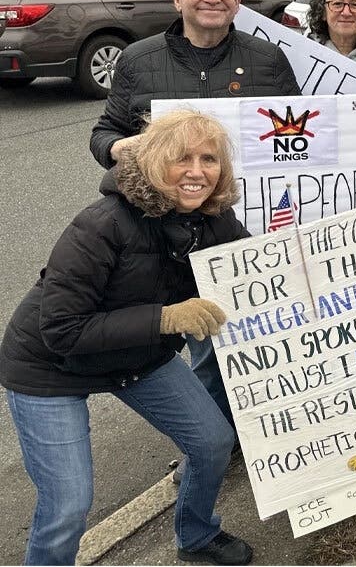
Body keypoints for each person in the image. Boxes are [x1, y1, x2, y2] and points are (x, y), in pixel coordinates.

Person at [1, 110, 255, 566]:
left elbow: (268, 272)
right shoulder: (100, 224)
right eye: (182, 159)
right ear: (155, 161)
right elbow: (61, 329)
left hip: (138, 359)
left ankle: (197, 535)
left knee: (213, 442)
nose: (197, 172)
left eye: (209, 159)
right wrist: (164, 319)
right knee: (69, 504)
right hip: (49, 367)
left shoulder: (217, 219)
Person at [89, 0, 300, 432]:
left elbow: (300, 136)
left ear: (236, 1)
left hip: (242, 226)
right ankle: (212, 438)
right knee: (203, 336)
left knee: (251, 334)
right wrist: (123, 147)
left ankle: (261, 432)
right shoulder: (139, 60)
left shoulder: (266, 58)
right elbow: (103, 134)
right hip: (167, 232)